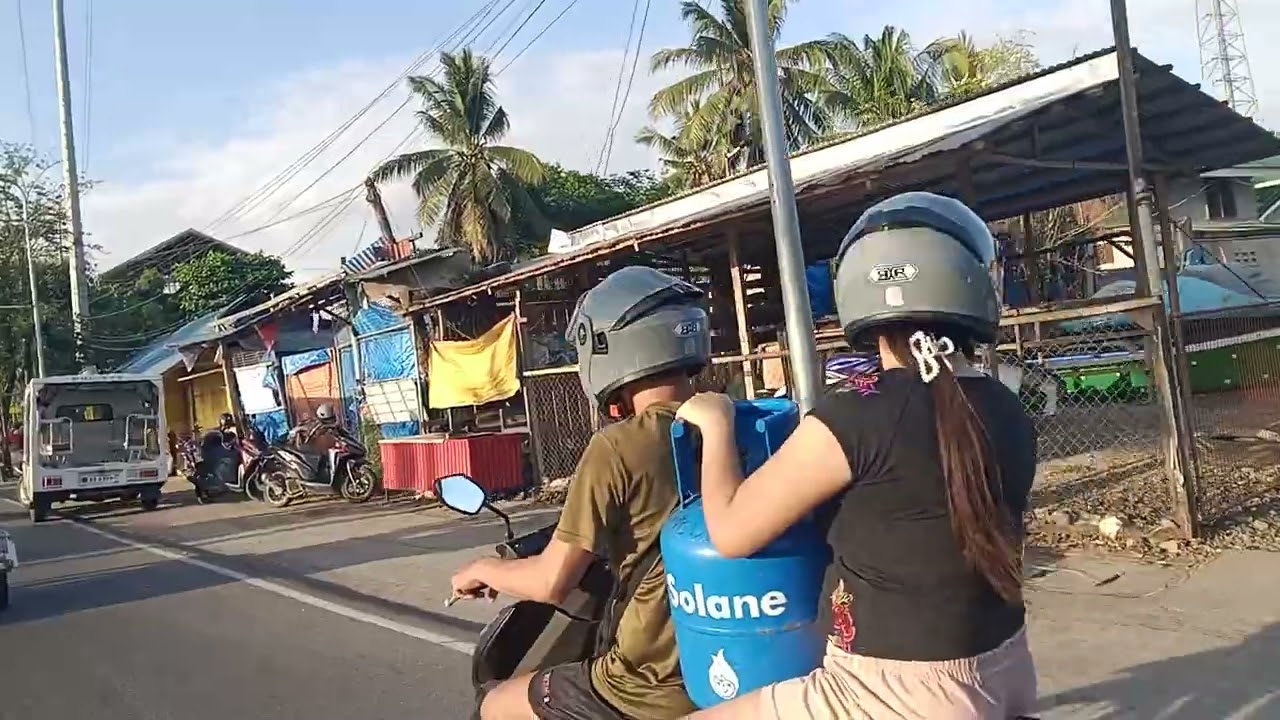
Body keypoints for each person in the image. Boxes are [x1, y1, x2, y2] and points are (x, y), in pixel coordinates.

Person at [675, 192, 1039, 720]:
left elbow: (732, 531)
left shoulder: (854, 416)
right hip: (1004, 667)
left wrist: (715, 425)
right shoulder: (1007, 405)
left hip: (888, 692)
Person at [450, 266, 707, 720]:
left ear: (609, 347)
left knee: (495, 705)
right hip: (739, 672)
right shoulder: (745, 424)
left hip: (649, 686)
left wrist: (484, 567)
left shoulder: (619, 445)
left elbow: (552, 582)